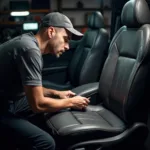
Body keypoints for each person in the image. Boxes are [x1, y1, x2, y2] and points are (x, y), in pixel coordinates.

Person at [0, 12, 90, 150]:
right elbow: (38, 104)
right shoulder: (30, 50)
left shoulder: (28, 43)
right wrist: (71, 102)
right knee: (46, 143)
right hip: (3, 107)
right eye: (66, 39)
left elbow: (31, 89)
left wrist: (57, 94)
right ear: (51, 31)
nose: (67, 46)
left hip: (7, 101)